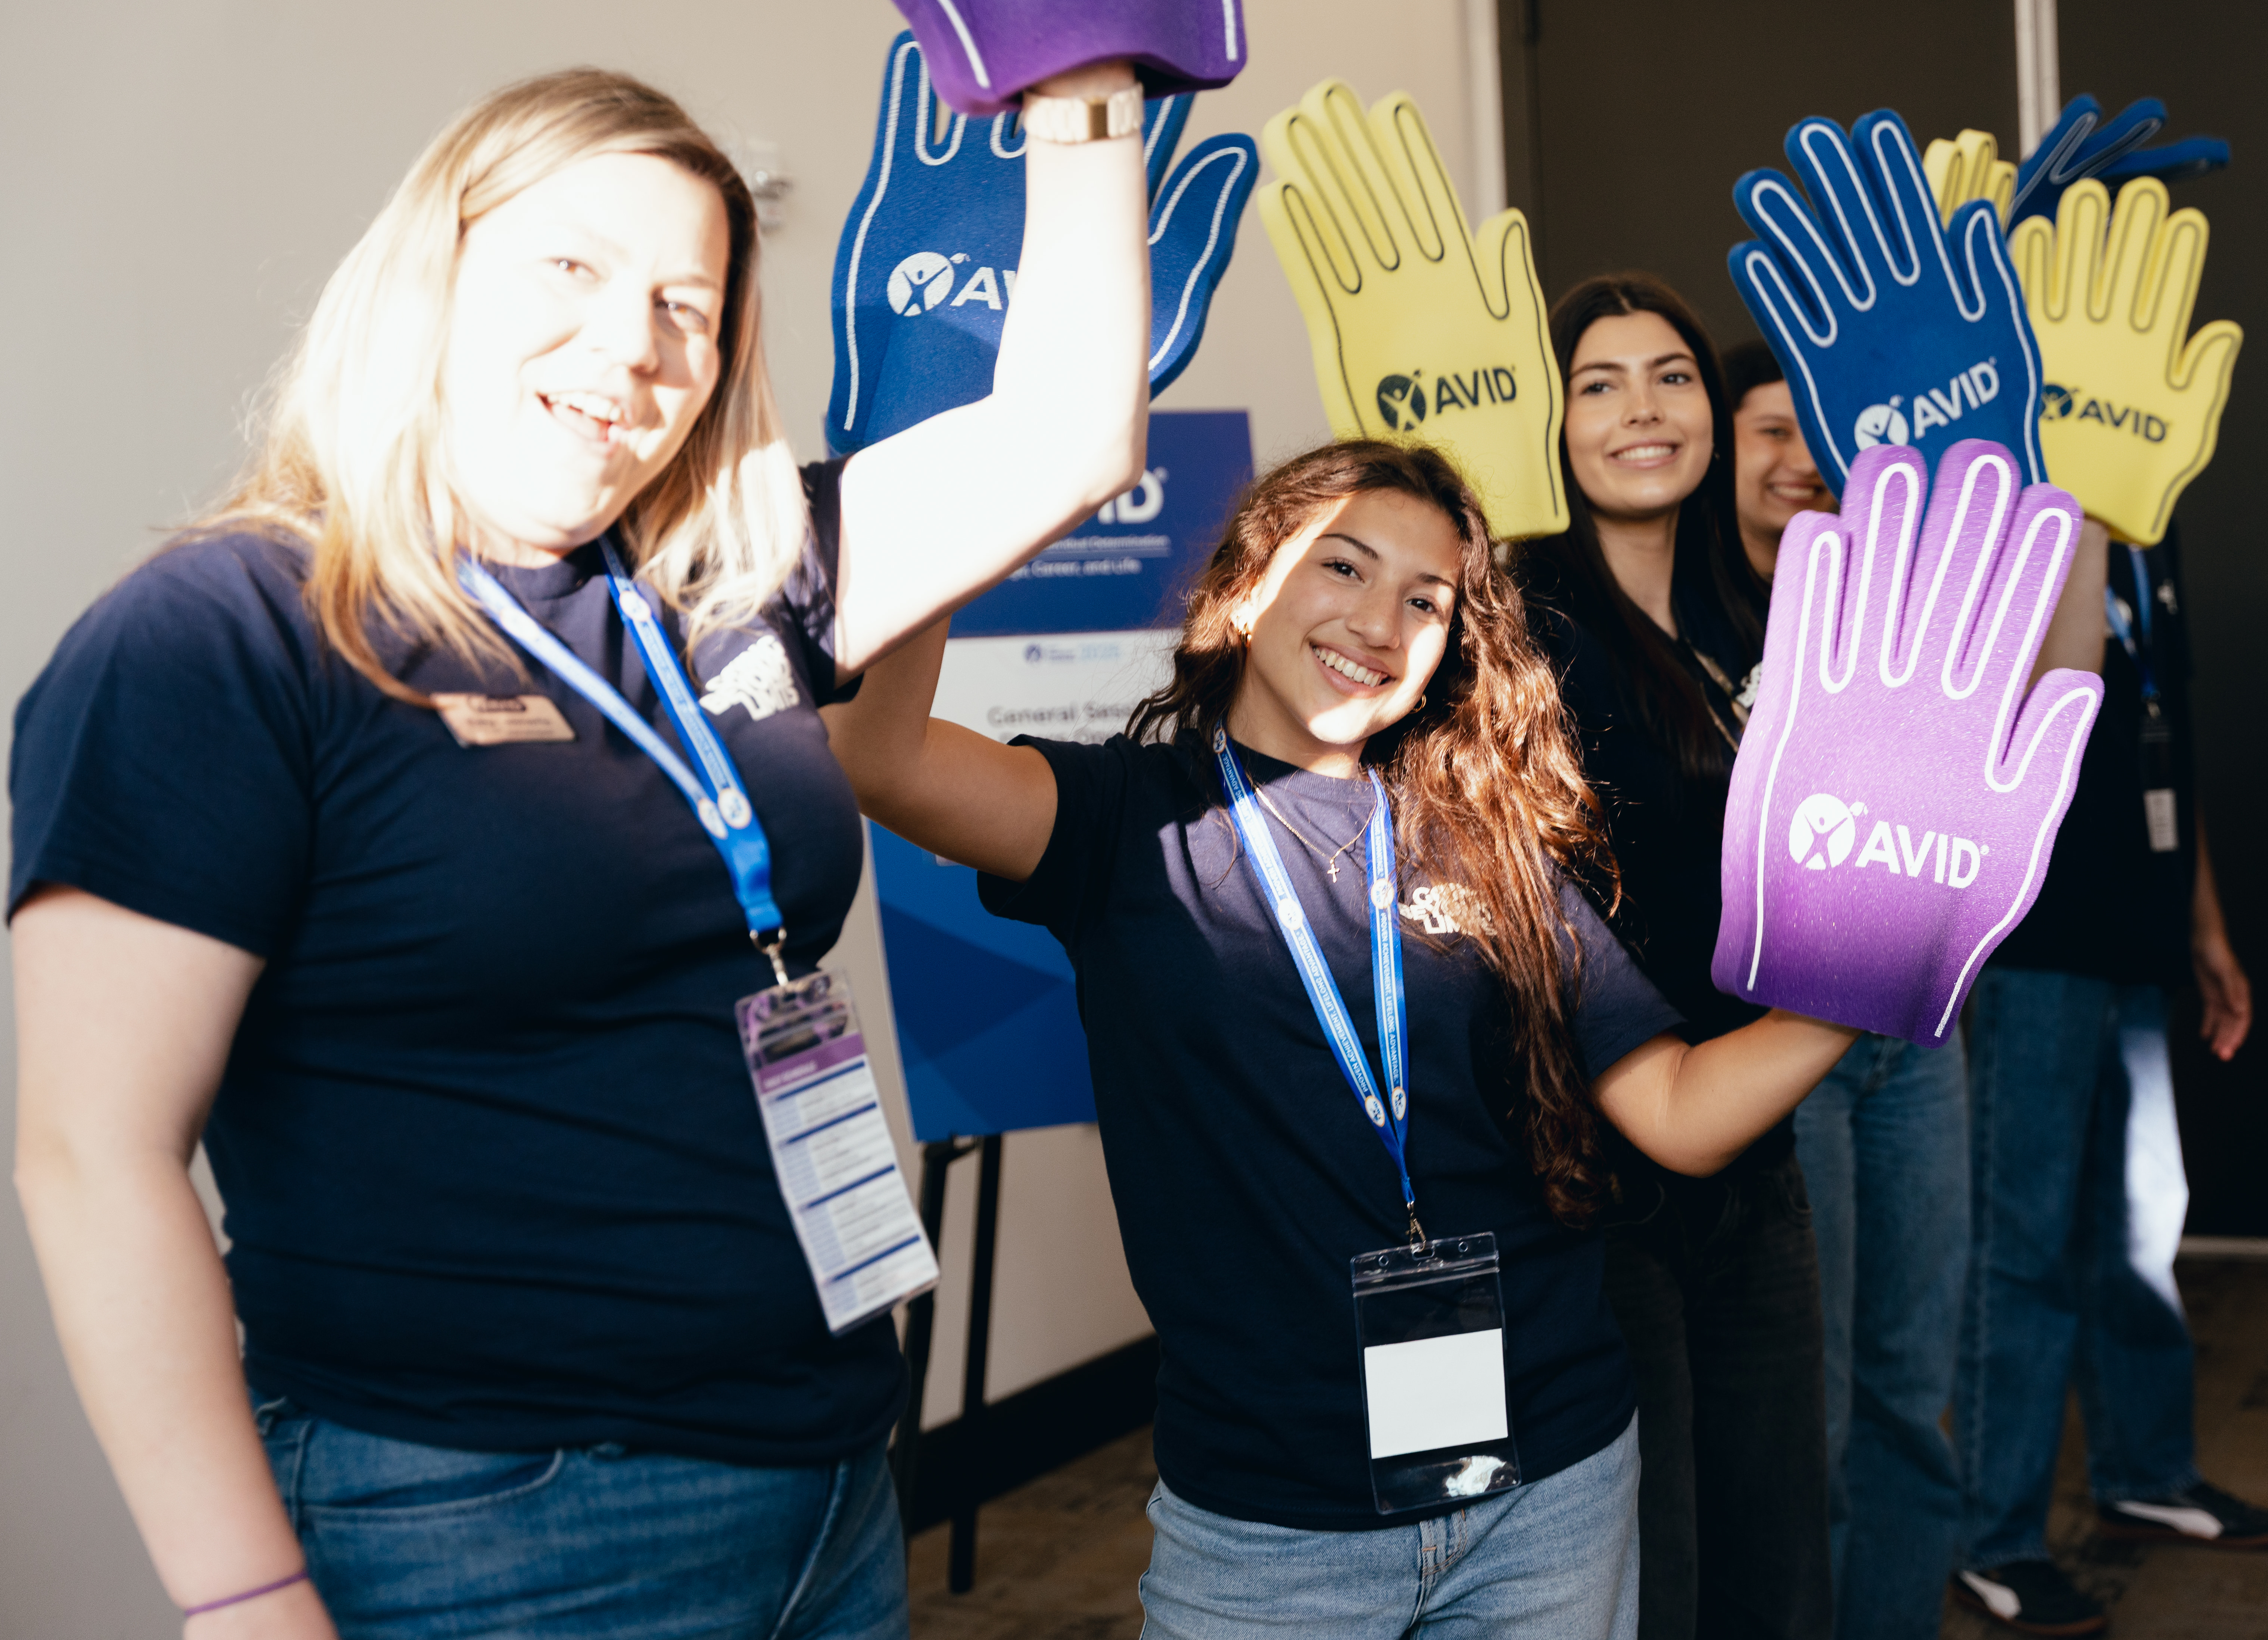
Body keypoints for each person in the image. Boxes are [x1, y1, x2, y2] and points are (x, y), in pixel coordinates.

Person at [10, 57, 1154, 1640]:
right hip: (490, 1515)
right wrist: (246, 1597)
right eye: (574, 268)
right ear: (435, 272)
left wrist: (1079, 91)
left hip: (824, 1469)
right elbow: (92, 1156)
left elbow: (1071, 439)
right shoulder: (221, 637)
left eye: (690, 304)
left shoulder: (728, 577)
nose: (634, 343)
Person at [830, 437, 1867, 1638]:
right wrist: (952, 513)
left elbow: (1680, 1113)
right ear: (1249, 582)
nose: (1381, 622)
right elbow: (878, 757)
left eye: (1426, 603)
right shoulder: (1126, 821)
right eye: (1345, 569)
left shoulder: (1488, 842)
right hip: (1275, 1526)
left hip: (1550, 1486)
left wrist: (1864, 983)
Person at [1514, 276, 1832, 1640]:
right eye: (1599, 382)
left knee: (1776, 1554)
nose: (1642, 408)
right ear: (1551, 418)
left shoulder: (1752, 613)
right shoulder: (1514, 629)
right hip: (1595, 1177)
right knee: (1662, 1581)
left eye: (1672, 376)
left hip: (1755, 1148)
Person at [1948, 515, 2268, 1636]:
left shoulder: (2158, 515)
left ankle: (2146, 1473)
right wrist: (2083, 521)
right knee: (2023, 1244)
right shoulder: (2001, 502)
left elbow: (2165, 734)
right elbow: (2054, 694)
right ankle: (1991, 1539)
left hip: (2139, 933)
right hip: (2031, 941)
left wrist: (2206, 927)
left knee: (2144, 1225)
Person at [1703, 337, 1966, 1640]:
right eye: (1770, 430)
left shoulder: (1901, 615)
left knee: (1912, 1388)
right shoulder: (1684, 615)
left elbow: (2044, 710)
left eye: (1826, 433)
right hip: (1768, 1042)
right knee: (1808, 1402)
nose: (1802, 459)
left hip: (1913, 1030)